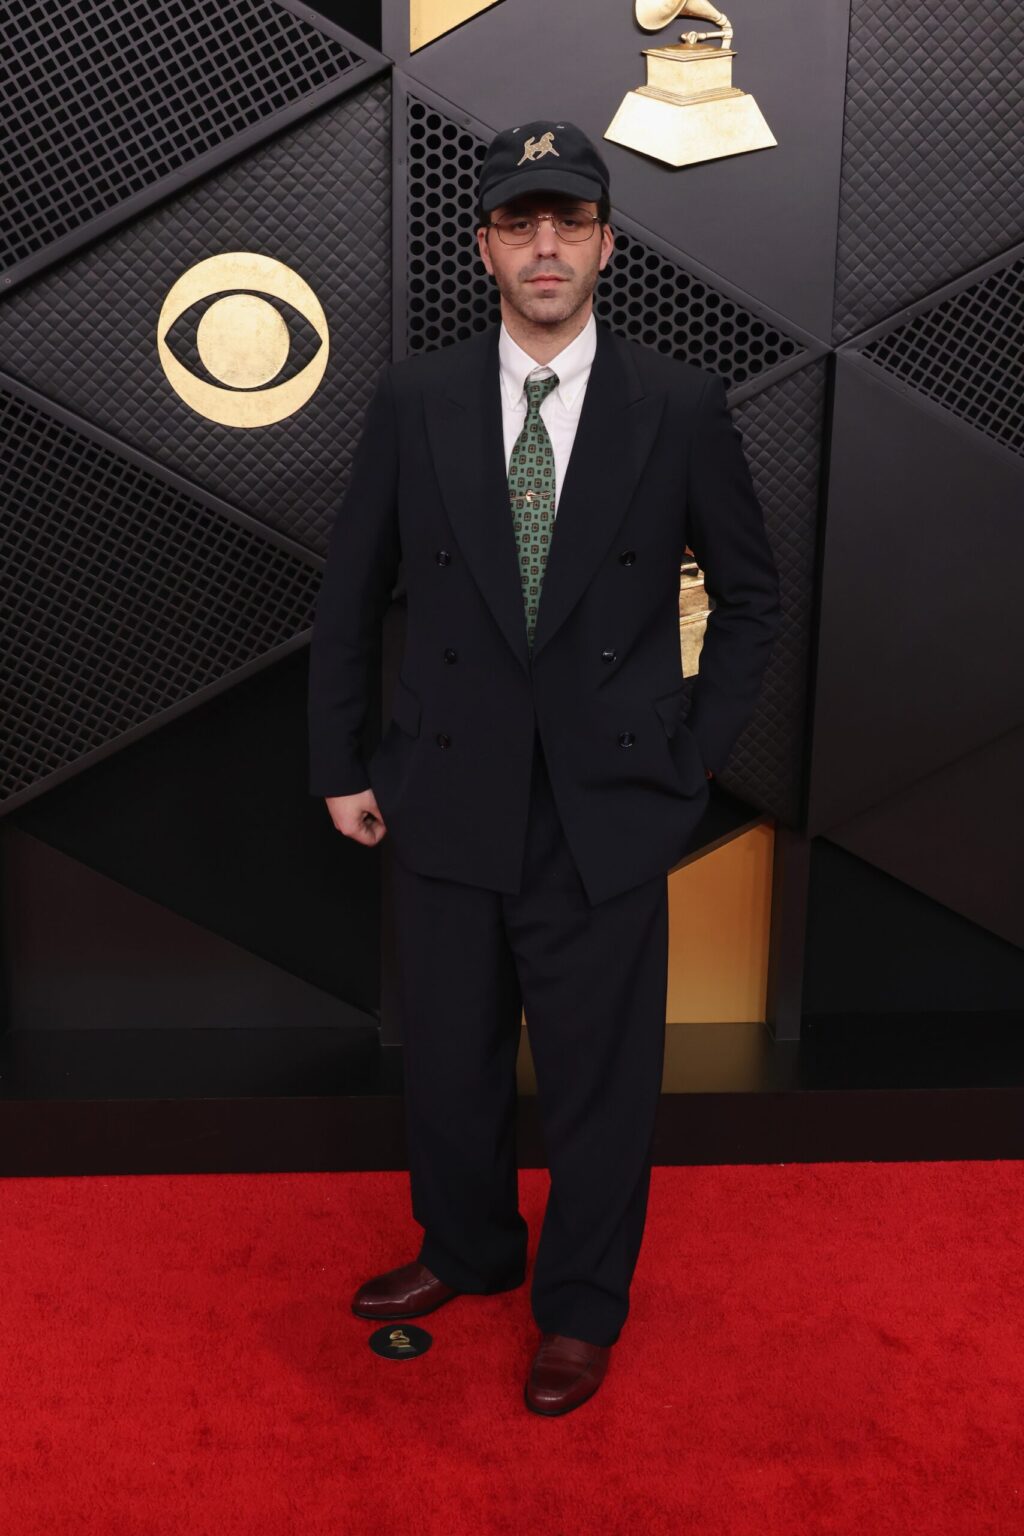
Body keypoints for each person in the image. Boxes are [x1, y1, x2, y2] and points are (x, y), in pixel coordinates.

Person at [307, 119, 782, 1415]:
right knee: (452, 1061)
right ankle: (466, 1248)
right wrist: (340, 759)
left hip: (608, 805)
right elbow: (352, 593)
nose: (547, 245)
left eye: (569, 220)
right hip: (444, 785)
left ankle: (580, 1308)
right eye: (521, 223)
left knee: (598, 1079)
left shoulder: (679, 407)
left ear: (609, 245)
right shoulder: (416, 398)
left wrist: (688, 759)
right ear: (485, 249)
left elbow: (751, 599)